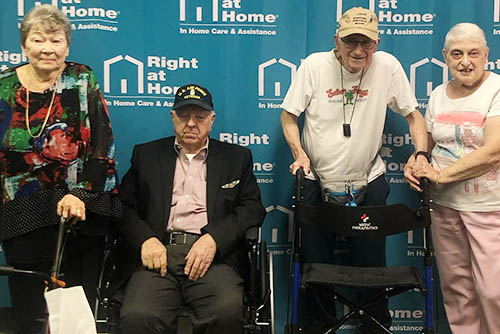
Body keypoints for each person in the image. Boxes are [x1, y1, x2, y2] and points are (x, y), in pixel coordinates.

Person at [280, 7, 429, 333]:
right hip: (318, 181)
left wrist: (420, 153)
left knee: (372, 269)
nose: (359, 51)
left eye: (367, 43)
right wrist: (299, 154)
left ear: (377, 43)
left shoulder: (388, 67)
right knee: (316, 269)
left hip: (369, 181)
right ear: (337, 39)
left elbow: (415, 116)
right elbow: (289, 116)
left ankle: (376, 329)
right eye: (351, 42)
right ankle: (320, 329)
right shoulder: (314, 66)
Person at [0, 4, 121, 333]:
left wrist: (81, 194)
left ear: (67, 45)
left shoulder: (82, 78)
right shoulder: (4, 86)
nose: (47, 48)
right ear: (24, 45)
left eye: (56, 40)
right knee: (30, 312)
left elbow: (103, 142)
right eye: (38, 40)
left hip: (77, 211)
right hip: (22, 214)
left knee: (74, 314)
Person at [117, 83, 266, 334]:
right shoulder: (146, 155)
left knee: (226, 313)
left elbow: (252, 208)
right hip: (158, 255)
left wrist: (214, 239)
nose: (191, 124)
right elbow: (122, 207)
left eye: (200, 117)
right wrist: (146, 240)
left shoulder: (236, 158)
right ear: (173, 117)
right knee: (138, 316)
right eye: (184, 116)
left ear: (212, 119)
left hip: (213, 258)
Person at [406, 23, 500, 334]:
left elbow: (493, 152)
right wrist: (416, 159)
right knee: (457, 291)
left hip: (489, 208)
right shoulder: (437, 95)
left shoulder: (496, 89)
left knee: (493, 292)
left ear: (486, 54)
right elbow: (430, 144)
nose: (465, 62)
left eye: (474, 53)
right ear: (445, 57)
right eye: (457, 54)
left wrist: (441, 175)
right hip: (444, 207)